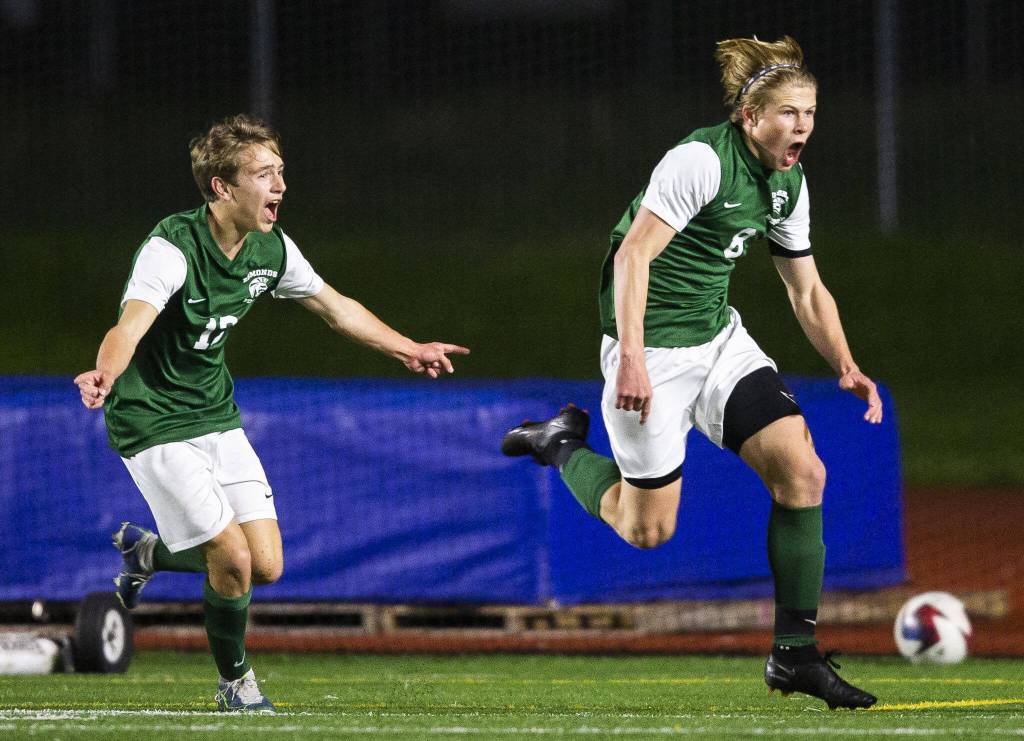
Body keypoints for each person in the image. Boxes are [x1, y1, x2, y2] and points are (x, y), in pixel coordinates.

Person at [502, 36, 881, 710]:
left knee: (803, 471)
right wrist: (636, 360)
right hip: (649, 351)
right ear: (748, 116)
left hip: (718, 340)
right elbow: (633, 259)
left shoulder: (789, 182)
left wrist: (845, 364)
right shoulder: (700, 160)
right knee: (647, 529)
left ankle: (793, 656)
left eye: (811, 113)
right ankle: (558, 441)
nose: (802, 126)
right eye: (788, 113)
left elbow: (807, 290)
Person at [74, 114, 469, 712]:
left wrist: (409, 348)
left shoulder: (272, 249)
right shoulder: (172, 248)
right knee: (230, 558)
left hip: (215, 415)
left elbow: (336, 308)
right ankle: (235, 685)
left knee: (266, 565)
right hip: (151, 420)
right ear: (221, 188)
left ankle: (148, 553)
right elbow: (129, 324)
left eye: (280, 171)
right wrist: (105, 370)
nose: (280, 186)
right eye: (264, 174)